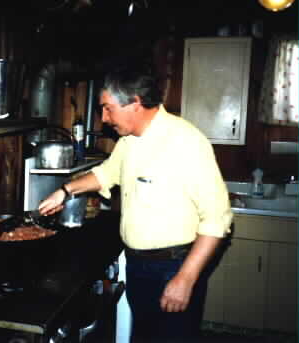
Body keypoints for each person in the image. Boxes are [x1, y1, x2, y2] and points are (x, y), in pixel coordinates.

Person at [38, 68, 233, 342]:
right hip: (139, 265)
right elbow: (107, 173)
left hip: (174, 267)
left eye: (107, 108)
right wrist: (65, 190)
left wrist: (185, 279)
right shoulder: (129, 141)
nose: (104, 119)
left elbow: (217, 220)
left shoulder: (186, 142)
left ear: (135, 104)